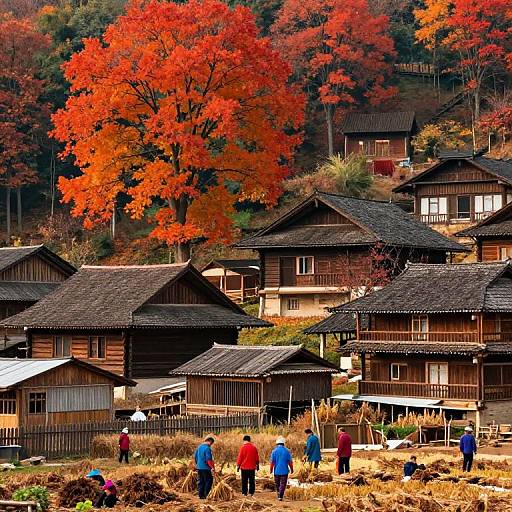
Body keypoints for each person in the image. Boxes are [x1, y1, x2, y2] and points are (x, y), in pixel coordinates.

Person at [270, 436, 293, 501]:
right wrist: (292, 469)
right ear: (284, 443)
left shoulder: (274, 451)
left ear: (277, 444)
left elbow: (272, 462)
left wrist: (271, 470)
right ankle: (281, 496)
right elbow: (290, 462)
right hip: (284, 471)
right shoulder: (287, 451)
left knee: (277, 483)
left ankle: (278, 494)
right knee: (283, 484)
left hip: (276, 471)